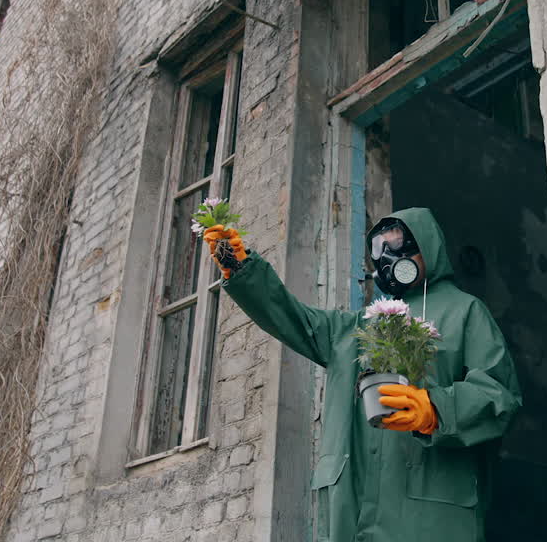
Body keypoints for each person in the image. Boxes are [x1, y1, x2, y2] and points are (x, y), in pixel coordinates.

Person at [204, 207, 521, 542]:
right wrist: (243, 269)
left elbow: (499, 393)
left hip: (429, 514)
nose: (387, 257)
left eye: (397, 244)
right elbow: (296, 319)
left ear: (426, 245)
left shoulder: (465, 312)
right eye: (379, 249)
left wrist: (436, 409)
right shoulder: (360, 326)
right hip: (352, 514)